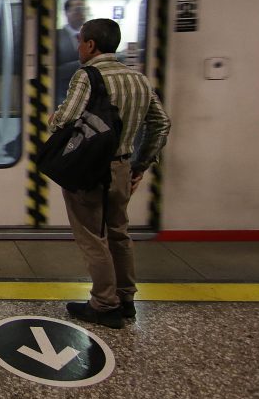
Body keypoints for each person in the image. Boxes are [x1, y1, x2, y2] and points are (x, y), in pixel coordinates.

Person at [50, 18, 171, 329]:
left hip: (89, 169)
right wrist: (141, 165)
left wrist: (54, 118)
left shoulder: (87, 76)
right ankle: (126, 298)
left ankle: (104, 304)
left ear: (91, 45)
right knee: (118, 233)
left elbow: (67, 118)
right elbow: (161, 124)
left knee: (92, 237)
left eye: (80, 41)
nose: (78, 47)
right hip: (122, 168)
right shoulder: (139, 79)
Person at [55, 0, 87, 105]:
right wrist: (83, 64)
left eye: (84, 9)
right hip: (62, 98)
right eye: (78, 9)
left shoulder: (90, 37)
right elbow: (53, 70)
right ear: (66, 13)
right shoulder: (56, 37)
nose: (82, 13)